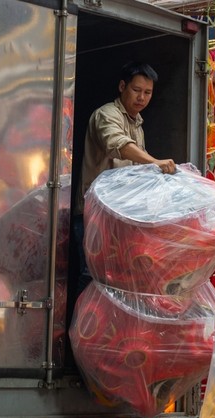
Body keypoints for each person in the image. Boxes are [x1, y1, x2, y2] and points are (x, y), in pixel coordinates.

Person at [71, 61, 176, 294]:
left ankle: (102, 328)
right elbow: (118, 144)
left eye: (147, 92)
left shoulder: (137, 124)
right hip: (94, 215)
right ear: (122, 87)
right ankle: (79, 329)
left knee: (114, 276)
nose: (142, 97)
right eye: (136, 90)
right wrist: (155, 162)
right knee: (91, 275)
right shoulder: (106, 114)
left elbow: (138, 169)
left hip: (119, 216)